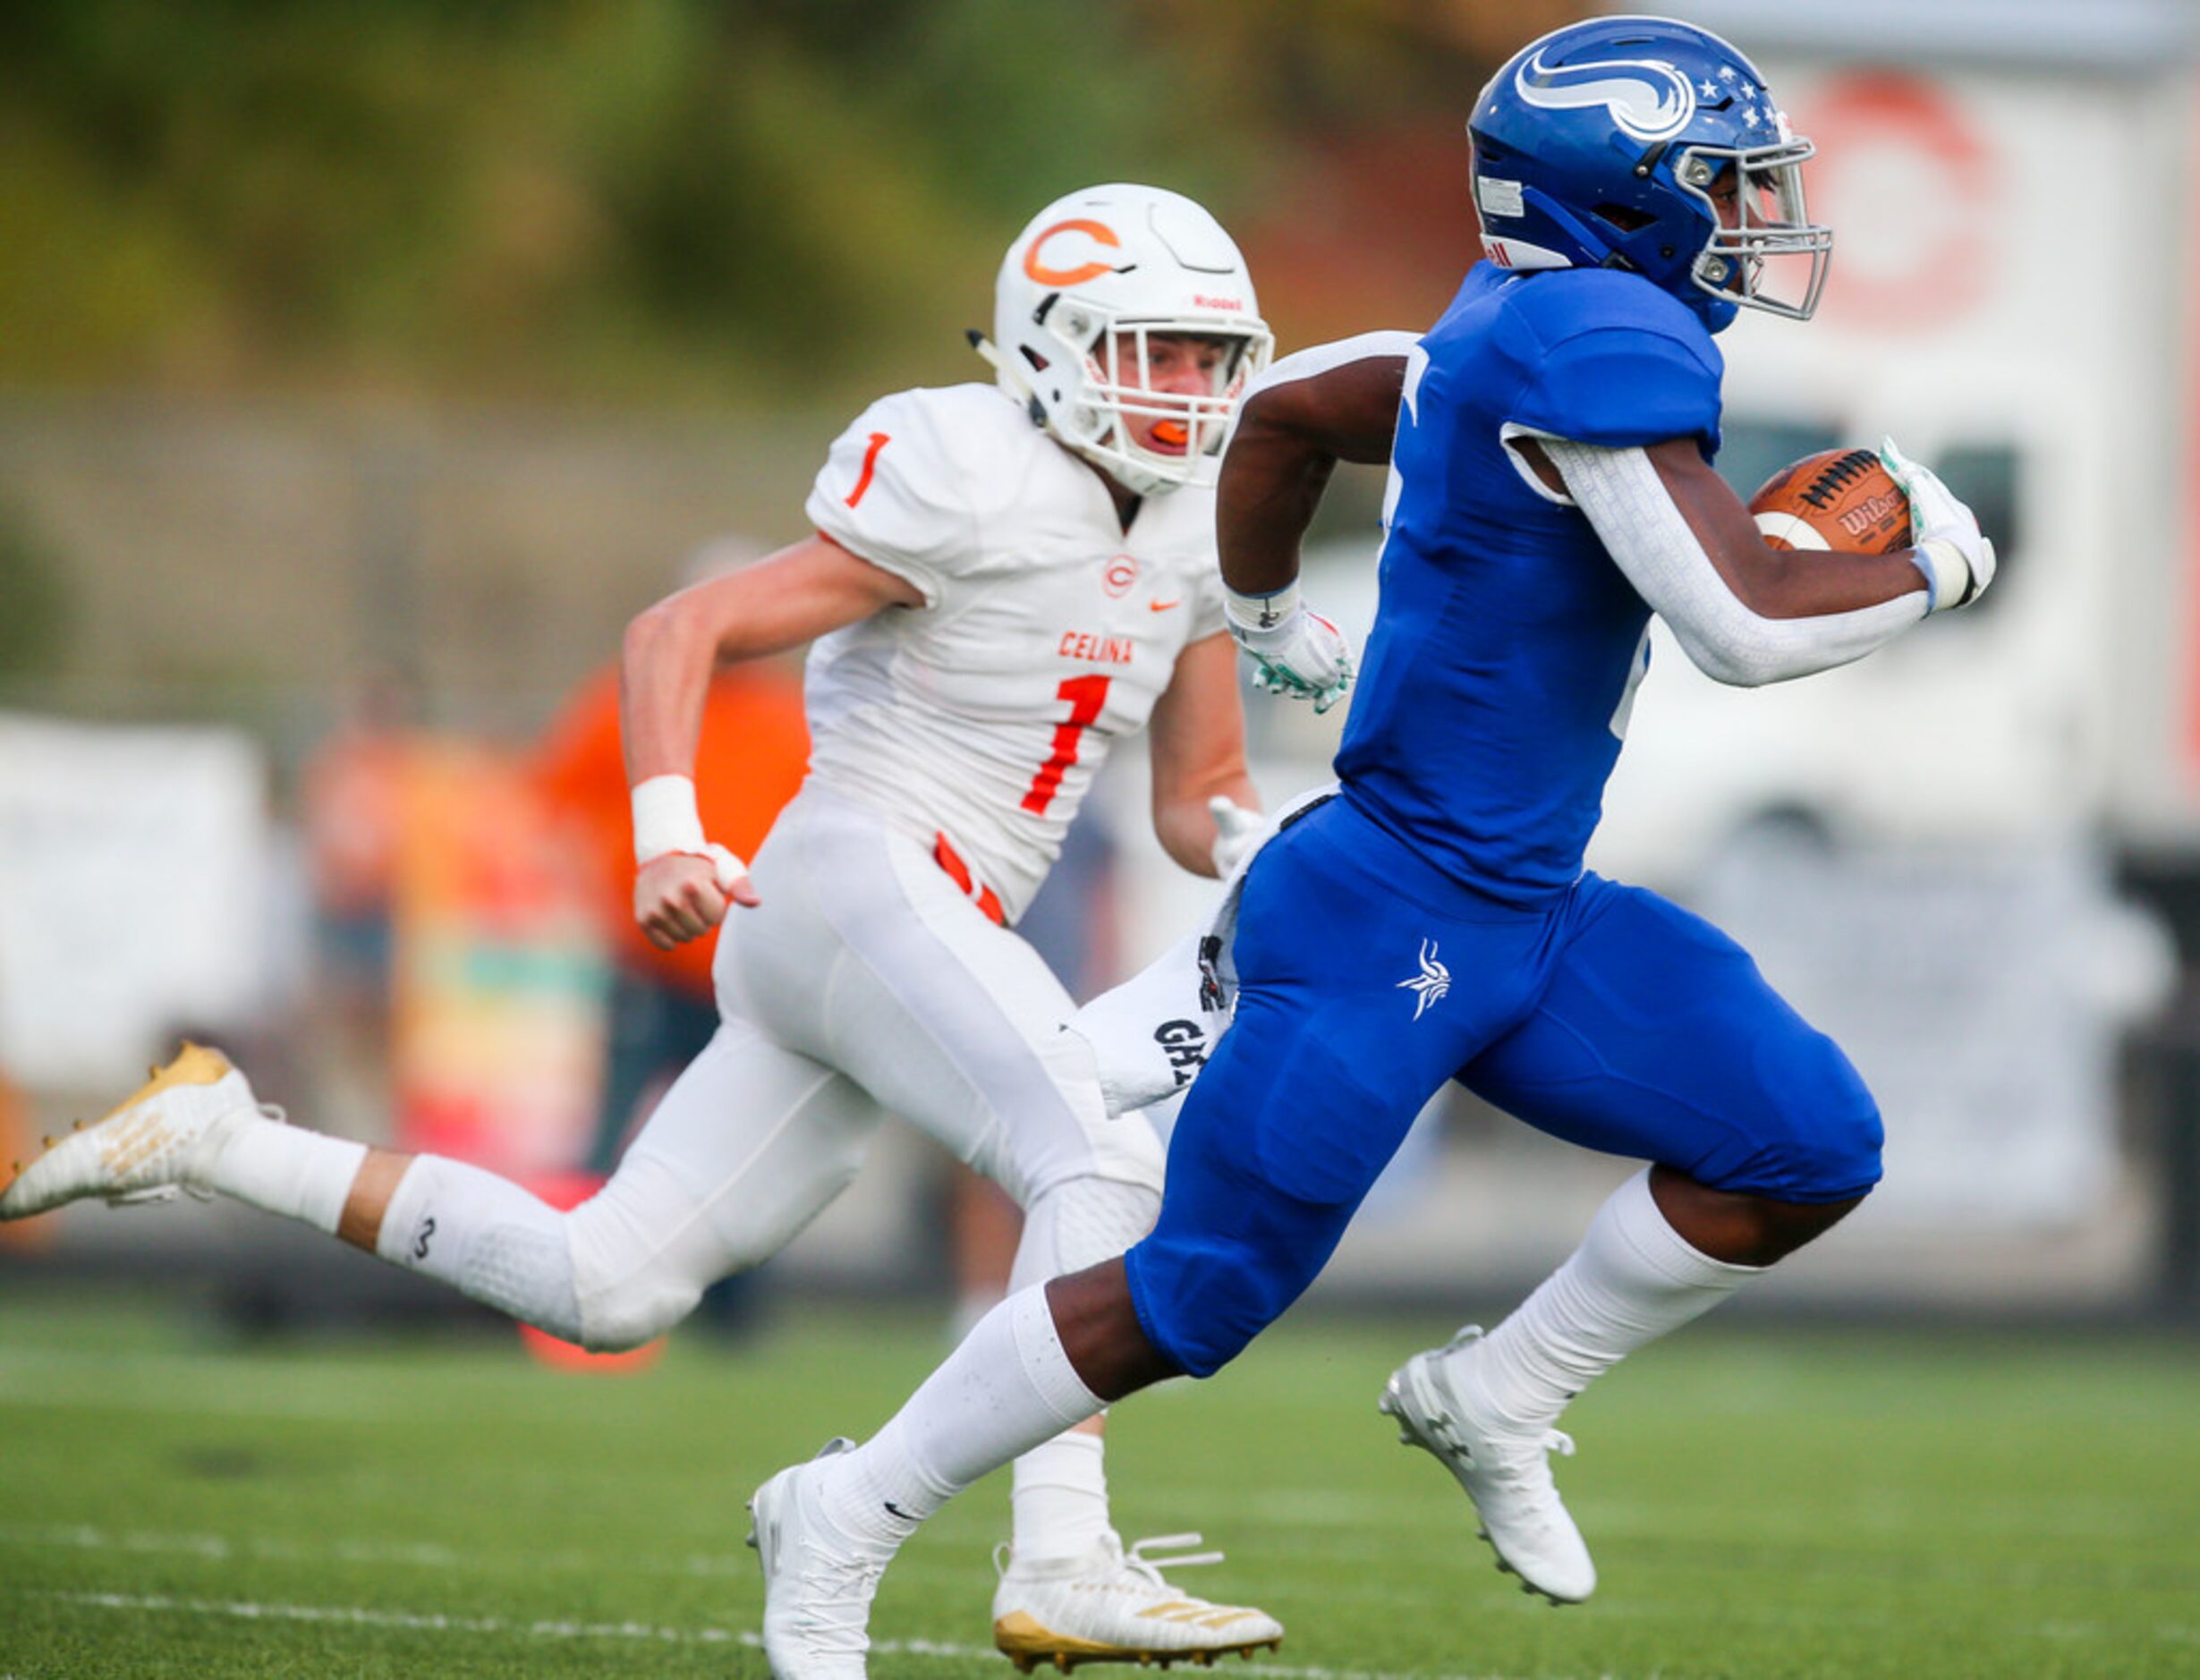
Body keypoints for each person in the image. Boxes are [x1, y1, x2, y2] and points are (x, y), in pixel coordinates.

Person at [736, 18, 2000, 1676]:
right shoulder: (1590, 338)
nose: (1758, 215)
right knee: (1192, 1296)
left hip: (1529, 909)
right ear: (1624, 196)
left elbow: (1280, 414)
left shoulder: (1506, 329)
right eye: (1729, 182)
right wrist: (1937, 568)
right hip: (1390, 901)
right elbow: (1742, 626)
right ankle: (848, 1508)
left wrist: (1257, 609)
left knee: (1808, 1142)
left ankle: (1499, 1393)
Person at [3, 183, 1289, 1671]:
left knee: (607, 1284)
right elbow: (678, 630)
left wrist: (1286, 854)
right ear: (1049, 346)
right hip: (858, 872)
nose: (1192, 391)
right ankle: (1058, 1555)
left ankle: (227, 1141)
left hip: (911, 921)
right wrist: (672, 824)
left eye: (1211, 356)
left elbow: (1202, 791)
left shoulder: (1203, 525)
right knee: (1102, 1161)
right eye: (1157, 352)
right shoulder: (972, 468)